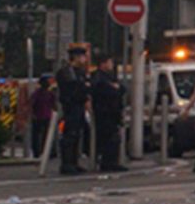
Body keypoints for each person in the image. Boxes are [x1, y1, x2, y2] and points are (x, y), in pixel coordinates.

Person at [54, 45, 92, 175]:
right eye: (82, 57)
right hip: (71, 106)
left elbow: (85, 87)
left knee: (77, 134)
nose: (85, 60)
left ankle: (74, 162)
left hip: (79, 106)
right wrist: (83, 88)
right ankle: (67, 163)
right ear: (76, 57)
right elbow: (75, 88)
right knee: (70, 135)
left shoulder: (79, 72)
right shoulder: (67, 72)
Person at [90, 54, 126, 172]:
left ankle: (112, 161)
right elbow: (104, 90)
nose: (111, 65)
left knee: (114, 137)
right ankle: (107, 162)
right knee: (107, 138)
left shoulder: (109, 77)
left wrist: (116, 88)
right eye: (110, 62)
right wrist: (114, 88)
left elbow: (121, 89)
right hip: (104, 112)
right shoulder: (98, 76)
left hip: (112, 112)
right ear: (103, 64)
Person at [28, 74, 56, 163]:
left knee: (44, 135)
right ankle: (38, 152)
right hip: (39, 117)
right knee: (38, 135)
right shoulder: (39, 94)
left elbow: (53, 105)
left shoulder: (48, 93)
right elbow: (32, 104)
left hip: (45, 117)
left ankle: (45, 151)